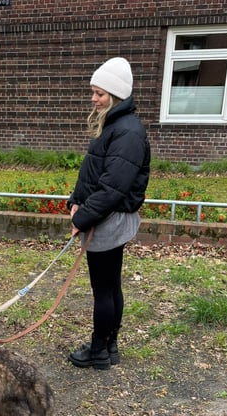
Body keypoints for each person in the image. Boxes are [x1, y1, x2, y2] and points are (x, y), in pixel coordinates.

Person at [66, 57, 150, 370]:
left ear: (115, 94)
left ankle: (99, 350)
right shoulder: (116, 125)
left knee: (104, 289)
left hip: (108, 220)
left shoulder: (127, 132)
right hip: (105, 216)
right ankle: (109, 346)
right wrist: (75, 201)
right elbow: (94, 173)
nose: (94, 98)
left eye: (99, 93)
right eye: (93, 92)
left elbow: (112, 189)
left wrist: (81, 218)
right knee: (110, 286)